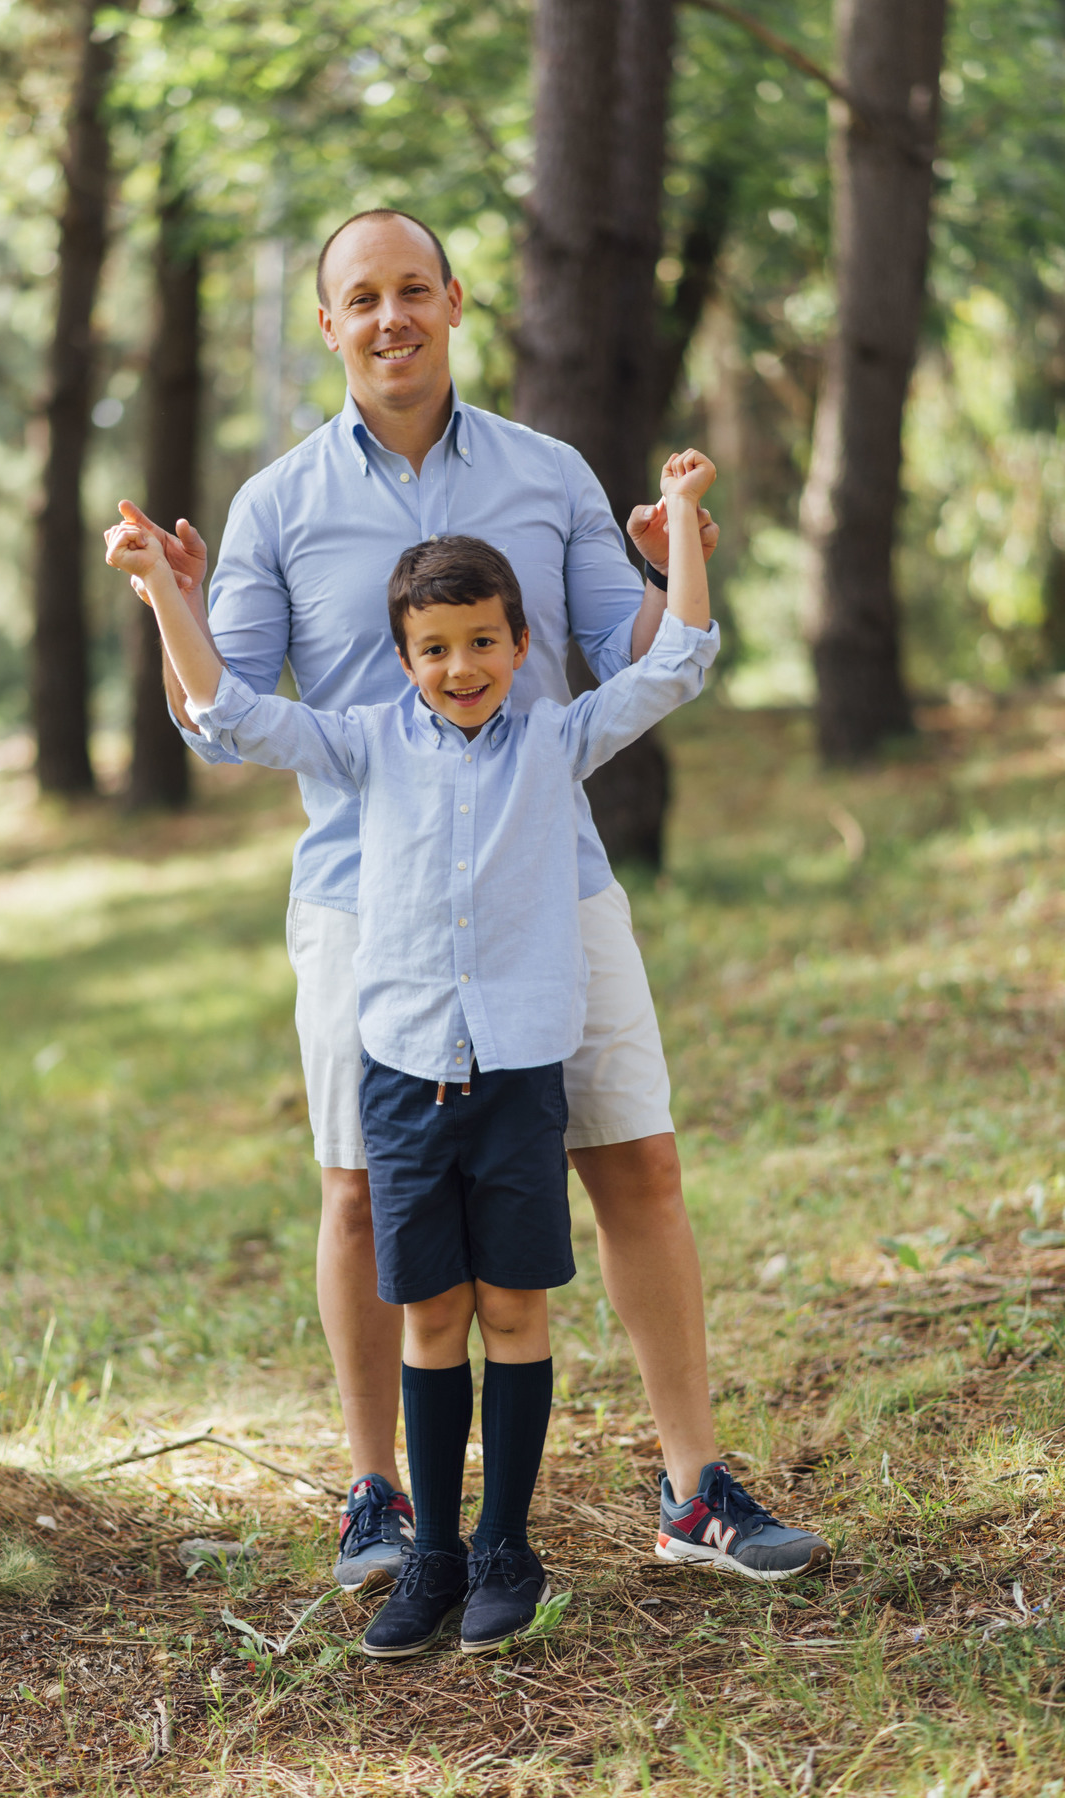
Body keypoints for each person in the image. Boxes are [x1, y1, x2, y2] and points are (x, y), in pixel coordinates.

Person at [109, 207, 831, 1590]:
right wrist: (175, 601)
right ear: (328, 325)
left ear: (455, 300)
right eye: (360, 297)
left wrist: (673, 558)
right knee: (363, 1194)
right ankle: (377, 1491)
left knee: (640, 1163)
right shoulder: (279, 505)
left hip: (549, 882)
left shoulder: (547, 471)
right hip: (361, 907)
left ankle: (696, 1489)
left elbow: (629, 659)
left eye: (412, 290)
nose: (390, 317)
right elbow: (227, 717)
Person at [105, 446, 719, 1658]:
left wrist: (685, 526)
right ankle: (431, 1554)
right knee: (433, 1310)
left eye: (485, 643)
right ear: (400, 659)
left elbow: (683, 658)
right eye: (435, 649)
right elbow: (226, 714)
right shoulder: (362, 745)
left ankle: (508, 1547)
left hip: (520, 1063)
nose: (461, 668)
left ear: (520, 645)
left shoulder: (559, 741)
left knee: (515, 1307)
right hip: (402, 1064)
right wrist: (163, 593)